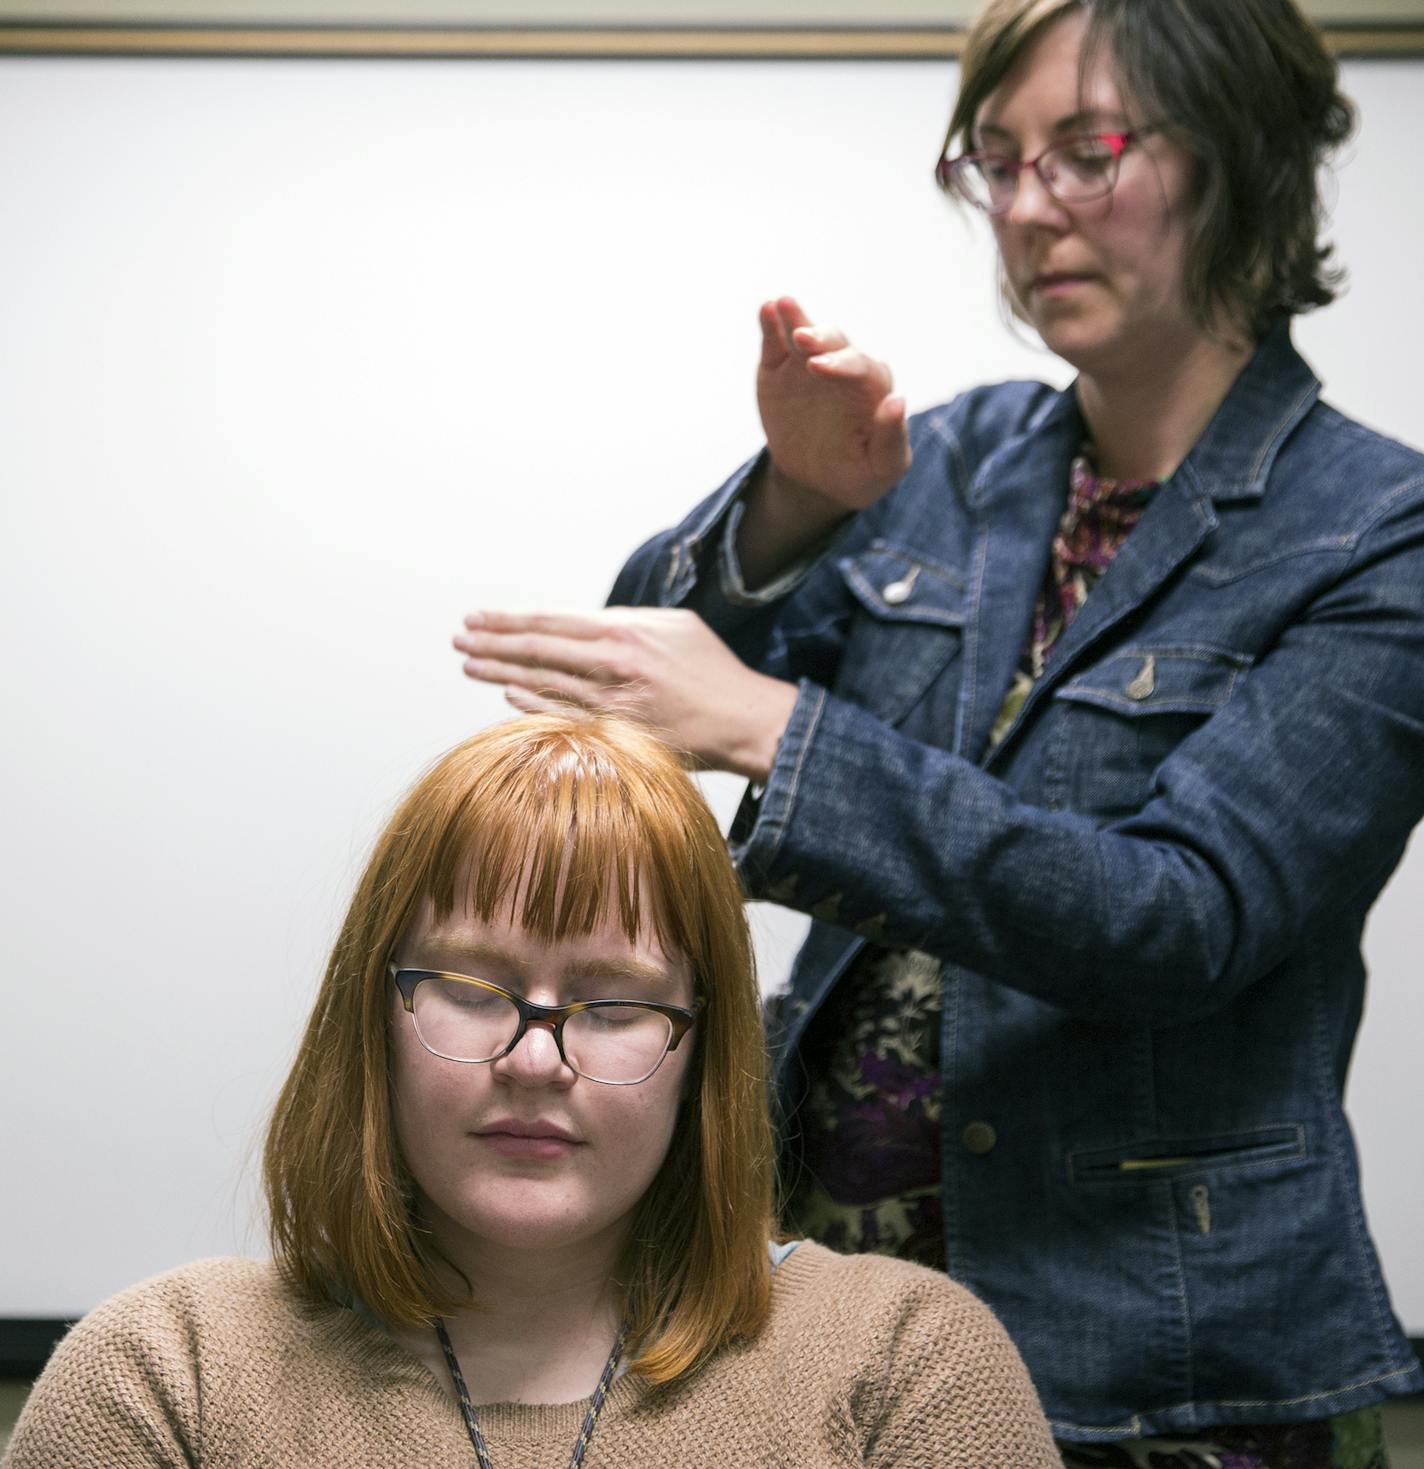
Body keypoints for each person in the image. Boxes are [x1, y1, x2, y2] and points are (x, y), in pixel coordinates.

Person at [450, 0, 1424, 1460]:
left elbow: (1179, 917)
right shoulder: (958, 456)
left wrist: (786, 733)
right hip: (823, 1316)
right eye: (998, 162)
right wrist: (791, 500)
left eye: (1087, 152)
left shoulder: (1376, 531)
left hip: (1159, 1373)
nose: (1032, 211)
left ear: (1243, 155)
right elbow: (645, 680)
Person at [4, 712, 1058, 1468]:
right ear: (370, 1016)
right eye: (470, 986)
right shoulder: (165, 1373)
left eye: (612, 1003)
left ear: (704, 1051)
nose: (534, 1059)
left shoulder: (902, 1363)